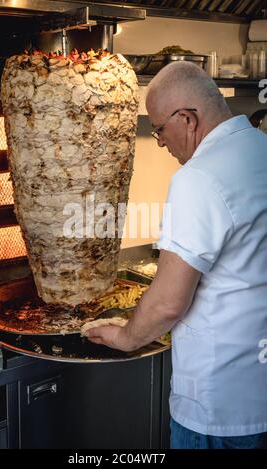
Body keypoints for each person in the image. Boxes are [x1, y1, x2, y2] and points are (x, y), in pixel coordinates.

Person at [85, 62, 267, 449]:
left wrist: (124, 337)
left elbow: (168, 303)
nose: (161, 142)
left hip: (218, 410)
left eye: (160, 129)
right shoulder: (261, 148)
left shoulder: (198, 178)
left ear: (187, 119)